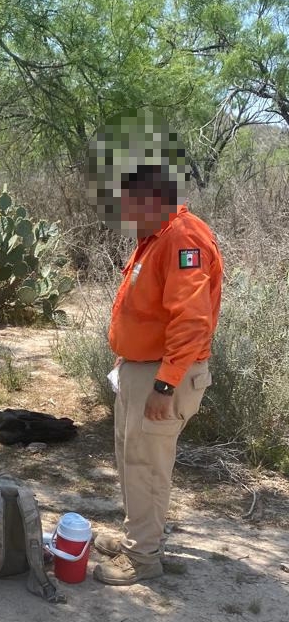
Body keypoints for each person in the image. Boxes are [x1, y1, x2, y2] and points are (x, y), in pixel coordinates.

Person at [93, 163, 223, 585]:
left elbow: (191, 319)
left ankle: (143, 559)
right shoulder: (154, 237)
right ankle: (137, 538)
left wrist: (164, 385)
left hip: (165, 376)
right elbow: (146, 310)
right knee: (132, 461)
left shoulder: (183, 237)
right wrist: (126, 359)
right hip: (141, 370)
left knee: (147, 467)